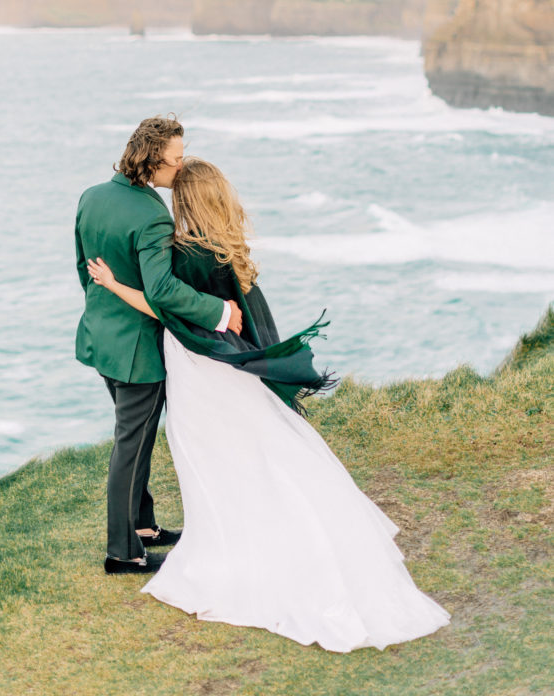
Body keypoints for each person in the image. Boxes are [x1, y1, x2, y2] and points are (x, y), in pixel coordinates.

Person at [86, 158, 452, 652]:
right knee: (252, 449)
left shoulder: (183, 254)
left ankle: (232, 549)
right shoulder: (226, 248)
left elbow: (164, 307)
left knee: (211, 460)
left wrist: (112, 284)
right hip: (230, 371)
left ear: (184, 201)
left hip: (198, 370)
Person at [74, 117, 243, 576]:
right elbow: (163, 290)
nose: (182, 165)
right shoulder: (151, 214)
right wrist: (220, 312)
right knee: (131, 445)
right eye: (177, 157)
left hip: (100, 339)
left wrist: (103, 316)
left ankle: (144, 526)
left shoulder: (92, 197)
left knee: (136, 437)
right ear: (153, 160)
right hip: (137, 352)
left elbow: (81, 268)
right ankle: (123, 552)